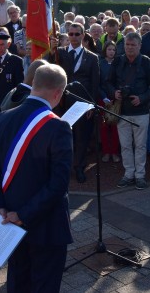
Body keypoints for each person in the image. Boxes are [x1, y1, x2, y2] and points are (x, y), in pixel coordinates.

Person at [0, 64, 73, 292]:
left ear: (33, 84)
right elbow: (58, 184)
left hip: (8, 222)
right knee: (44, 284)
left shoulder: (3, 117)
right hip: (46, 226)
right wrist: (23, 215)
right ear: (58, 93)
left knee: (17, 281)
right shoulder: (58, 126)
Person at [103, 32, 150, 190]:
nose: (129, 47)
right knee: (125, 146)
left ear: (139, 46)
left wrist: (142, 98)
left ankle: (140, 175)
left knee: (140, 146)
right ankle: (128, 174)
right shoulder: (118, 61)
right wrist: (114, 92)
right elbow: (108, 82)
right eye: (127, 44)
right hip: (122, 111)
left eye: (133, 45)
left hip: (141, 111)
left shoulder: (147, 63)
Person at [50, 22, 100, 184]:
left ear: (83, 35)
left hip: (81, 103)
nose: (73, 37)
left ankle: (79, 167)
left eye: (77, 34)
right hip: (61, 102)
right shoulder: (59, 53)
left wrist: (91, 105)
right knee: (62, 137)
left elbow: (94, 83)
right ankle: (61, 167)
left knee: (81, 137)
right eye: (70, 34)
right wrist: (51, 52)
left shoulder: (92, 58)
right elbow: (50, 69)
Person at [98, 41, 121, 163]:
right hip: (103, 99)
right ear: (105, 51)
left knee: (116, 127)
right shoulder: (100, 64)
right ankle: (106, 152)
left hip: (117, 99)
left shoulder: (119, 63)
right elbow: (98, 83)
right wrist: (103, 97)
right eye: (109, 49)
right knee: (104, 127)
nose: (111, 52)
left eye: (113, 49)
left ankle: (114, 152)